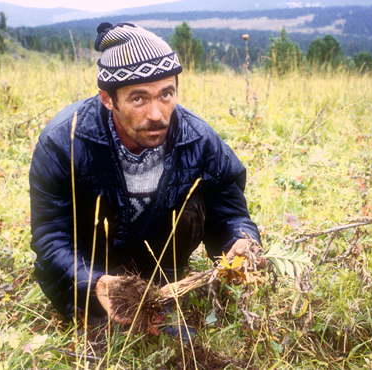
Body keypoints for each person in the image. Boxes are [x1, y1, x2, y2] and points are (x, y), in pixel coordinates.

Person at [29, 22, 261, 323]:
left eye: (166, 95)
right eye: (138, 98)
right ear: (108, 98)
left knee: (175, 342)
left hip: (166, 279)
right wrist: (94, 282)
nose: (156, 114)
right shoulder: (64, 143)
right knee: (109, 347)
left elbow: (230, 214)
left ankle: (163, 303)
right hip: (88, 280)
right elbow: (50, 236)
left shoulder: (199, 141)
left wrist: (241, 242)